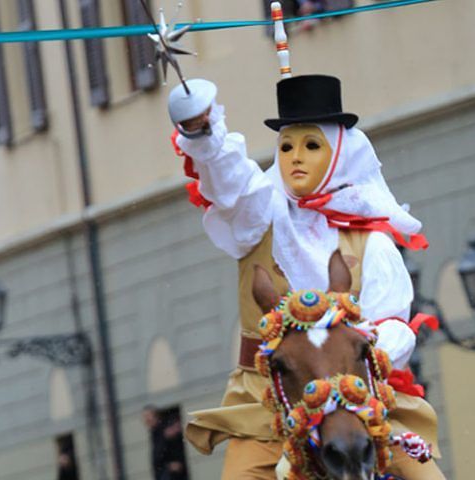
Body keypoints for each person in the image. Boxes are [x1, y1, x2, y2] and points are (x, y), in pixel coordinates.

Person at [169, 74, 442, 480]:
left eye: (311, 146)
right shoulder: (258, 217)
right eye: (286, 147)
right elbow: (232, 185)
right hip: (264, 407)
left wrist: (363, 349)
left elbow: (393, 324)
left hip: (357, 404)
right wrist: (204, 134)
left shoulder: (373, 242)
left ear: (338, 153)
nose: (295, 157)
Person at [143, 405, 168, 480]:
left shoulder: (164, 431)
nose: (146, 419)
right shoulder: (154, 432)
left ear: (156, 416)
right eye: (145, 417)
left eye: (148, 416)